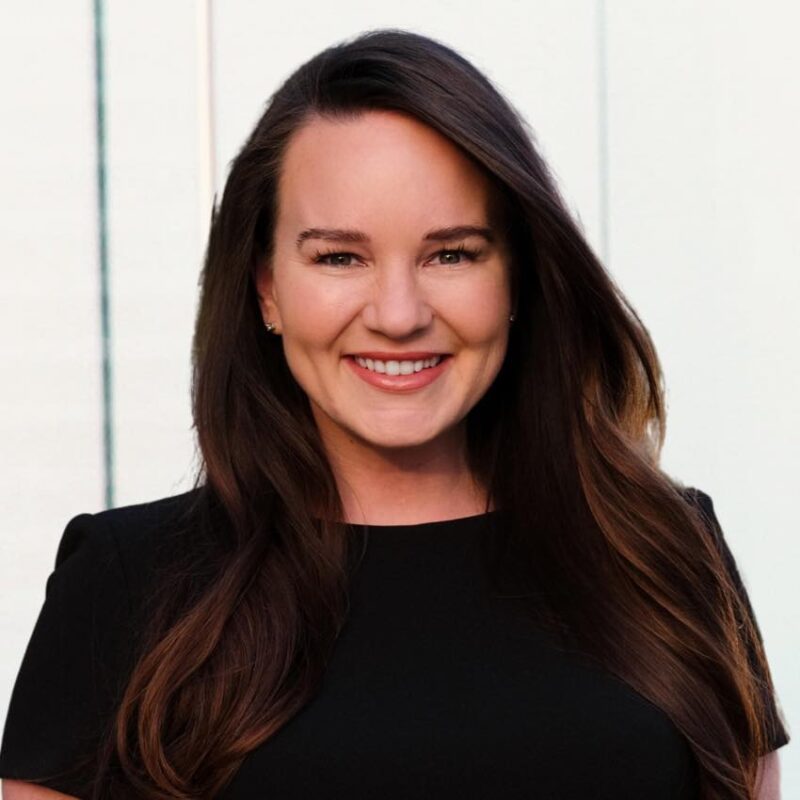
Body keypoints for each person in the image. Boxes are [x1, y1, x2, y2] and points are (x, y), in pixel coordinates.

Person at [0, 27, 789, 800]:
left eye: (452, 253)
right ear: (266, 288)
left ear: (517, 280)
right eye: (339, 256)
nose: (399, 314)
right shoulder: (125, 585)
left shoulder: (662, 550)